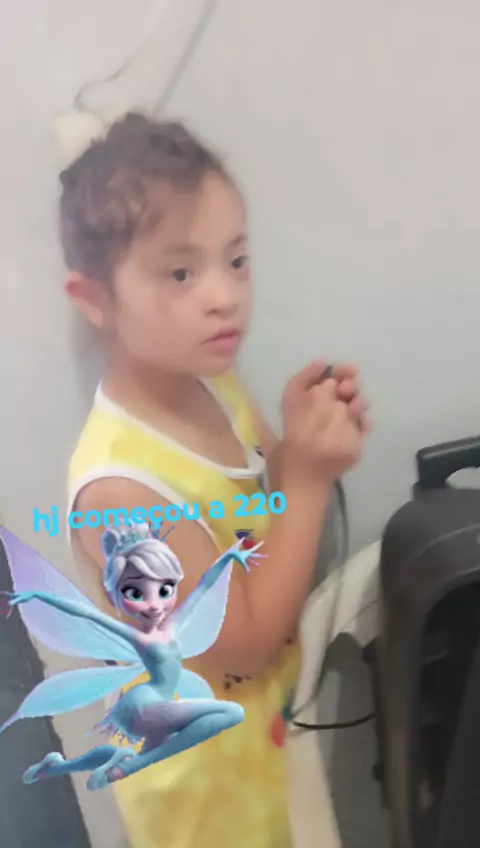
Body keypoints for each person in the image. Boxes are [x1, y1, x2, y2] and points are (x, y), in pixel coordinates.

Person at [62, 112, 370, 848]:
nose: (224, 296)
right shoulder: (119, 492)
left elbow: (266, 502)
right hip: (205, 787)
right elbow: (244, 643)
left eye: (236, 260)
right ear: (94, 299)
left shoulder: (212, 378)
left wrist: (303, 442)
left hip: (267, 729)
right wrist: (310, 478)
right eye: (181, 273)